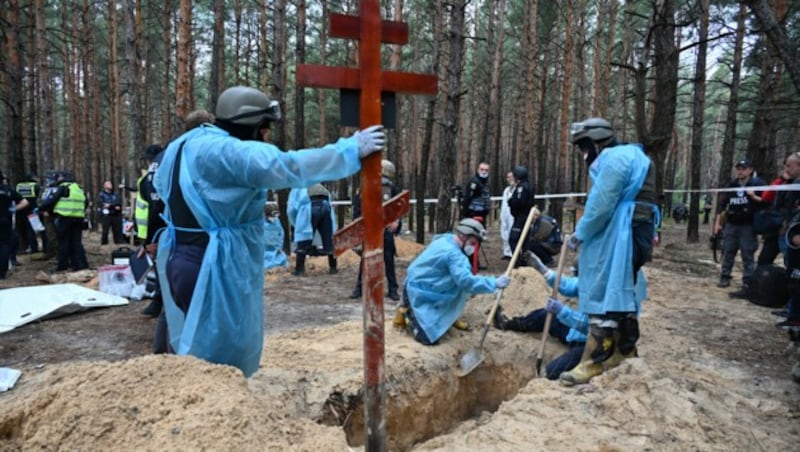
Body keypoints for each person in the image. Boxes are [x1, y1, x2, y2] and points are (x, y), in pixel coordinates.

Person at [152, 85, 385, 377]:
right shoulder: (228, 151)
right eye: (263, 130)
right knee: (217, 358)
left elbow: (172, 189)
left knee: (194, 343)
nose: (265, 137)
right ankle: (217, 415)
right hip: (209, 264)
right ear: (251, 124)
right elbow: (287, 166)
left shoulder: (185, 143)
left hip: (181, 255)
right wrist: (349, 150)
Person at [559, 117, 658, 386]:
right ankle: (624, 351)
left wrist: (581, 233)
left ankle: (593, 362)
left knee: (603, 292)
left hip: (622, 234)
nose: (583, 154)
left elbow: (601, 204)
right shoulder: (635, 154)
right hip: (636, 231)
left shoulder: (614, 159)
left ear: (594, 141)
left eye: (583, 147)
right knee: (622, 293)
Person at [494, 251, 647, 380]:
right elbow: (568, 285)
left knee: (553, 371)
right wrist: (543, 270)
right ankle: (509, 324)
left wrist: (562, 311)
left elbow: (591, 326)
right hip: (575, 333)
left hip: (593, 344)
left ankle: (544, 379)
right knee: (545, 315)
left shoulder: (615, 297)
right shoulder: (593, 280)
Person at [395, 218, 511, 345]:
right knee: (428, 338)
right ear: (463, 236)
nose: (473, 247)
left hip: (428, 285)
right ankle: (407, 313)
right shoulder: (454, 255)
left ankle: (449, 317)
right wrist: (494, 283)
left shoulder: (446, 239)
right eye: (472, 243)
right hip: (418, 291)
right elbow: (467, 282)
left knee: (457, 287)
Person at [349, 159, 401, 300]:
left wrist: (396, 221)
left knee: (388, 259)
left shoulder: (392, 188)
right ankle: (359, 288)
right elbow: (358, 207)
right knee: (366, 259)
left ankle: (392, 289)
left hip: (385, 229)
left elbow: (398, 206)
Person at [713, 159, 765, 294]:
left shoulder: (757, 184)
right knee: (728, 251)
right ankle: (725, 276)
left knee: (747, 254)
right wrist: (718, 223)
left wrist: (753, 196)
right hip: (731, 223)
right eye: (739, 168)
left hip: (748, 225)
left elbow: (766, 202)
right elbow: (722, 204)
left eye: (744, 168)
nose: (740, 171)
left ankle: (748, 281)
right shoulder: (732, 185)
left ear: (750, 170)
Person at [38, 171, 89, 272]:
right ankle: (80, 265)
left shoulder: (63, 187)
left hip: (64, 218)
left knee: (63, 243)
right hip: (78, 218)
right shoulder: (78, 188)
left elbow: (52, 200)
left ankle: (62, 266)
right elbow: (86, 202)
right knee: (76, 243)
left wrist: (41, 208)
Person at [288, 183, 337, 275]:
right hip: (326, 207)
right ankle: (333, 267)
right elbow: (329, 201)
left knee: (304, 239)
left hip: (309, 208)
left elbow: (291, 209)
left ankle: (300, 270)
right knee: (328, 240)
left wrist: (295, 223)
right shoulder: (318, 184)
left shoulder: (297, 187)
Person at [1, 173, 30, 279]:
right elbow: (25, 202)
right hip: (5, 220)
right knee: (4, 245)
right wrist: (13, 209)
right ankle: (2, 272)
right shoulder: (8, 190)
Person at [507, 165, 536, 267]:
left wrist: (510, 201)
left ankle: (518, 261)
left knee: (513, 239)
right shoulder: (528, 185)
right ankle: (524, 261)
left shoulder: (522, 187)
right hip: (525, 218)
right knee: (524, 241)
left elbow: (519, 202)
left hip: (521, 218)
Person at [15, 173, 41, 253]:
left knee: (21, 229)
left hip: (20, 210)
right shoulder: (35, 186)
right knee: (31, 229)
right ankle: (33, 248)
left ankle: (22, 247)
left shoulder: (18, 186)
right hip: (32, 210)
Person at [97, 180, 125, 245]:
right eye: (108, 184)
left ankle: (118, 242)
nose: (110, 185)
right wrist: (113, 206)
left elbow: (118, 204)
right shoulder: (102, 195)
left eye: (110, 183)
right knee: (105, 231)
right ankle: (104, 243)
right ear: (104, 186)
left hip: (116, 214)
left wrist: (110, 205)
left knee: (117, 230)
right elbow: (103, 204)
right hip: (106, 215)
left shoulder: (115, 194)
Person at [263, 202, 287, 270]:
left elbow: (281, 234)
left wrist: (280, 247)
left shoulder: (277, 221)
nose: (273, 218)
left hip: (275, 249)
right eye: (271, 216)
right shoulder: (261, 223)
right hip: (264, 250)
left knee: (283, 259)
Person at [499, 171, 515, 260]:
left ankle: (513, 253)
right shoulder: (506, 190)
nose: (510, 179)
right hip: (504, 214)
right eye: (508, 177)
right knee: (504, 233)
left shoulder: (517, 189)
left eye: (512, 177)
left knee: (511, 233)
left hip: (512, 215)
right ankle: (507, 252)